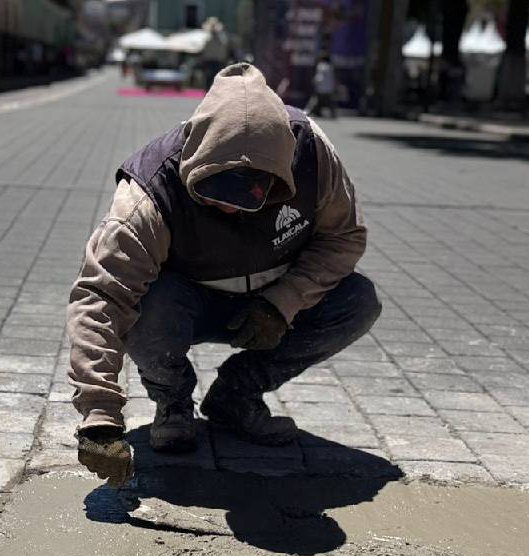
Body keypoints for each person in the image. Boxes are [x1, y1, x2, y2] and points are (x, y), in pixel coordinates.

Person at [68, 63, 381, 485]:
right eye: (216, 195)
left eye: (252, 197)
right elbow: (102, 297)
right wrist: (100, 416)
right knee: (145, 304)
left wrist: (282, 302)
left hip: (268, 301)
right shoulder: (150, 194)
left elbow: (342, 239)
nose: (232, 209)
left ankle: (237, 394)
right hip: (184, 302)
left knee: (357, 303)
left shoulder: (312, 156)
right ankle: (173, 401)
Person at [306, 54, 338, 118]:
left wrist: (315, 81)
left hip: (321, 88)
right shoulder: (330, 66)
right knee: (330, 101)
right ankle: (332, 114)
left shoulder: (321, 66)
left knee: (315, 100)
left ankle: (308, 111)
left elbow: (320, 77)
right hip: (329, 88)